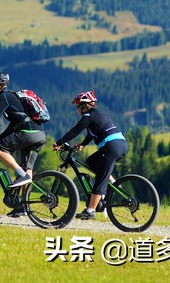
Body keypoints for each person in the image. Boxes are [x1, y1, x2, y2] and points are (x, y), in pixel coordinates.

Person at [0, 72, 47, 217]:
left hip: (28, 134)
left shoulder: (4, 97)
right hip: (39, 135)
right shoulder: (11, 98)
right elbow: (13, 126)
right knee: (27, 169)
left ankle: (20, 175)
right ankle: (23, 206)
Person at [53, 90, 128, 220]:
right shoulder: (98, 114)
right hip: (121, 145)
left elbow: (75, 131)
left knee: (99, 180)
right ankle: (110, 179)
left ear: (84, 106)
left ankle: (91, 210)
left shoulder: (87, 115)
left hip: (111, 147)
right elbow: (93, 133)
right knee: (91, 161)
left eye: (78, 106)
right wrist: (82, 144)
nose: (77, 109)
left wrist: (59, 142)